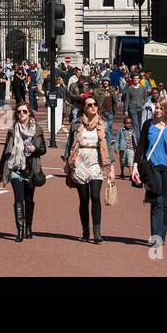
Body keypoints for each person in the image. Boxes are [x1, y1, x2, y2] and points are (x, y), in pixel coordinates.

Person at [133, 98, 167, 246]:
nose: (157, 111)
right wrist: (135, 165)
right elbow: (141, 146)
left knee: (164, 201)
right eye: (155, 108)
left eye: (160, 108)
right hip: (153, 168)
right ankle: (155, 235)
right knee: (156, 199)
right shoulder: (148, 125)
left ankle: (162, 235)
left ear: (165, 110)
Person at [65, 94, 114, 243]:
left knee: (95, 196)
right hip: (80, 161)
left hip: (96, 161)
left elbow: (108, 146)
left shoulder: (103, 124)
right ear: (84, 108)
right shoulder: (76, 123)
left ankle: (97, 232)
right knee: (84, 199)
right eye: (89, 105)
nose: (92, 107)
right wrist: (68, 164)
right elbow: (70, 144)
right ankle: (85, 231)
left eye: (94, 104)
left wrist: (111, 167)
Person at [0, 102, 46, 241]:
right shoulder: (12, 130)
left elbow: (43, 149)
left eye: (24, 112)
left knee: (29, 200)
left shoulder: (37, 130)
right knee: (18, 199)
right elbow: (6, 150)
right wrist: (1, 170)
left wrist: (35, 150)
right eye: (19, 112)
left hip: (31, 169)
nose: (21, 114)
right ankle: (19, 230)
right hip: (15, 168)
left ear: (29, 113)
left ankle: (29, 228)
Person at [115, 114, 136, 179]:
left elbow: (135, 139)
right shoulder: (121, 130)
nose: (128, 125)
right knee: (122, 161)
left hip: (131, 148)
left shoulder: (133, 130)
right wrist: (116, 147)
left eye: (130, 123)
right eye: (127, 123)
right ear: (124, 123)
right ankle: (122, 173)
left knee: (130, 161)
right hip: (123, 149)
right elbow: (117, 139)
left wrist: (136, 146)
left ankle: (131, 174)